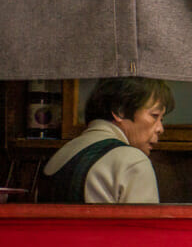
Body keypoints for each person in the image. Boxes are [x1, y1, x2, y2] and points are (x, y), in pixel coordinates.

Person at [42, 77, 174, 203]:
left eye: (161, 120)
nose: (160, 129)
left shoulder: (60, 155)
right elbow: (144, 227)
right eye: (154, 116)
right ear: (120, 111)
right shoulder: (132, 161)